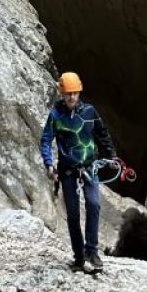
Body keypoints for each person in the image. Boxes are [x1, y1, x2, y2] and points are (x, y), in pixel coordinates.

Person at [40, 71, 116, 273]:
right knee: (73, 215)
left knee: (94, 204)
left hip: (89, 167)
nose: (72, 97)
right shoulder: (56, 115)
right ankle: (79, 256)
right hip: (67, 171)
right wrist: (49, 164)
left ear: (79, 92)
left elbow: (102, 133)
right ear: (62, 94)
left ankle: (92, 250)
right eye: (68, 94)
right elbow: (46, 140)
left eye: (74, 93)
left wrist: (111, 156)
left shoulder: (89, 112)